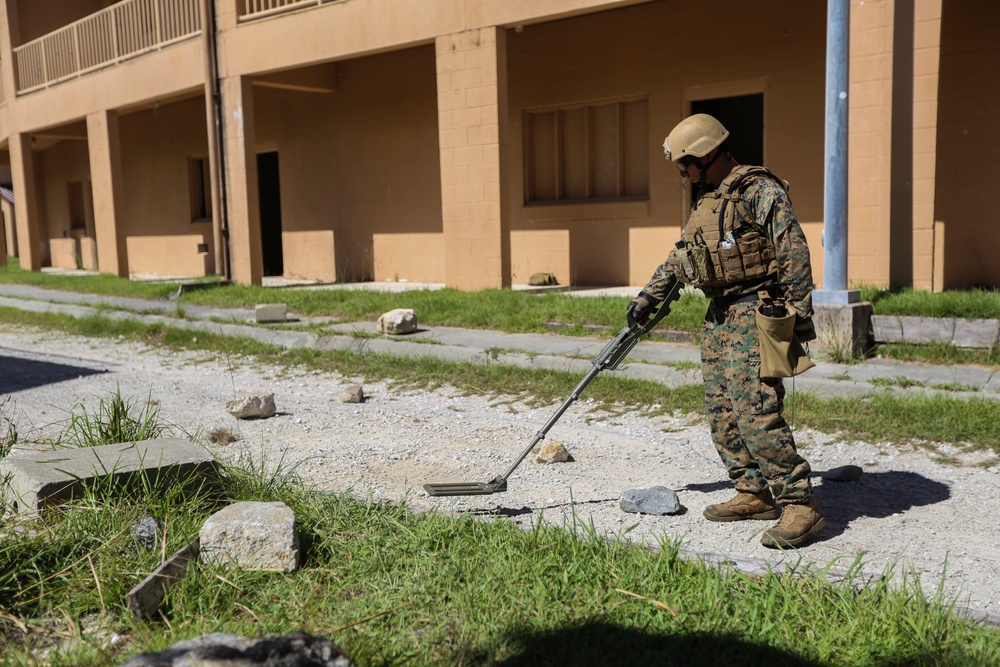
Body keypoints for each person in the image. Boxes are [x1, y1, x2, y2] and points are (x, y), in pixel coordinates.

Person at [627, 113, 824, 548]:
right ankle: (753, 492)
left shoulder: (759, 190)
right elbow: (684, 258)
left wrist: (795, 315)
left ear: (707, 154)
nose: (681, 174)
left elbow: (792, 248)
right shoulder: (708, 201)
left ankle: (799, 502)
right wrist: (648, 297)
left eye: (684, 165)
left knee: (755, 411)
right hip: (719, 315)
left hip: (755, 309)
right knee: (723, 413)